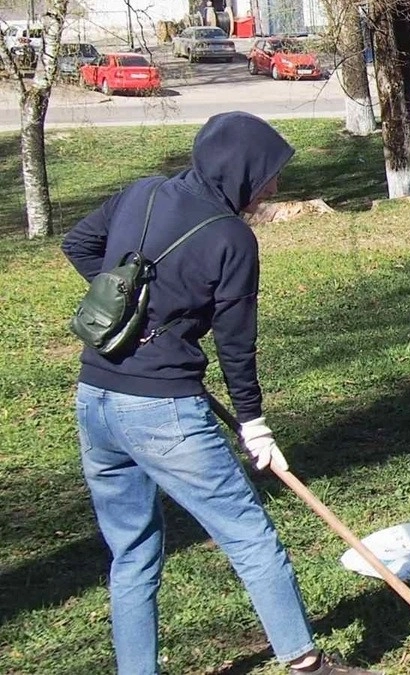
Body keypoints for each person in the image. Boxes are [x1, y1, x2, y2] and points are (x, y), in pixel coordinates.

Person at [61, 112, 377, 675]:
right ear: (242, 170)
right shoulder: (232, 237)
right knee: (250, 536)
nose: (274, 187)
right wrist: (254, 423)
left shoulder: (142, 192)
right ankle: (305, 663)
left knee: (132, 552)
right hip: (163, 413)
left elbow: (81, 244)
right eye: (269, 174)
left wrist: (133, 312)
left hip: (96, 397)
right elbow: (236, 343)